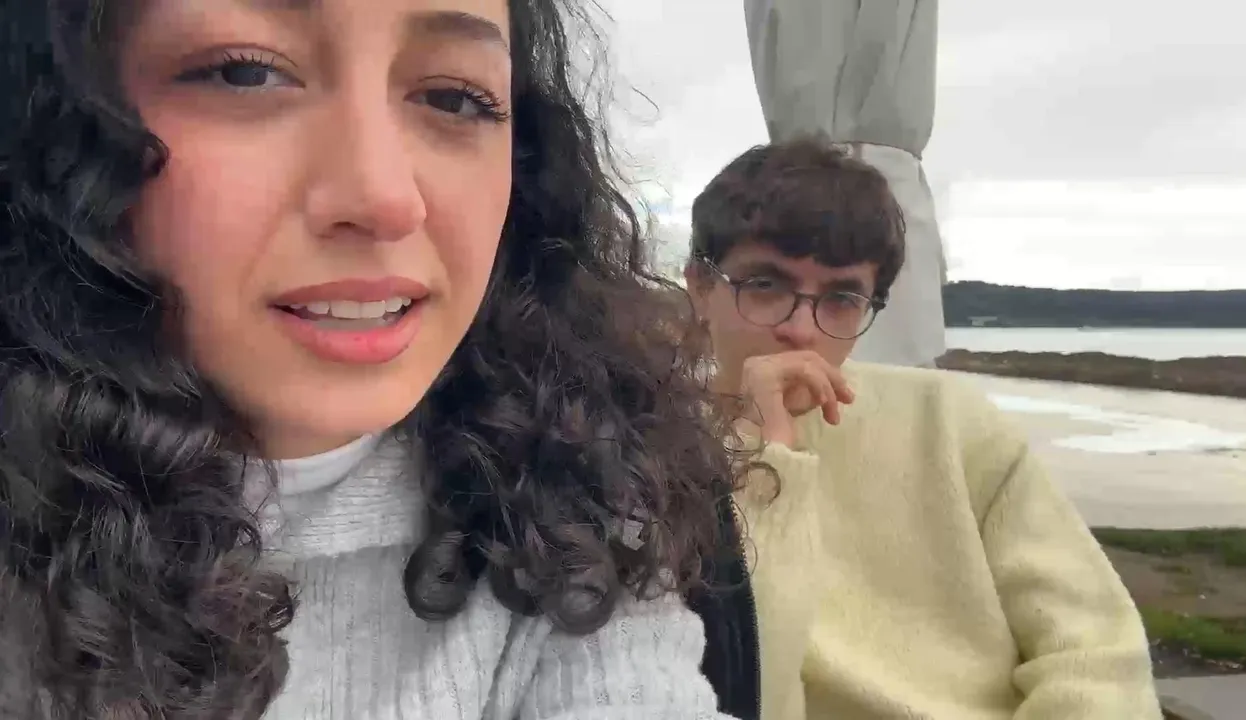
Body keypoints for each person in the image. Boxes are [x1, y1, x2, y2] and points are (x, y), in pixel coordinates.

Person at [0, 1, 745, 718]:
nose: (385, 200)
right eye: (245, 72)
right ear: (53, 126)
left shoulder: (579, 489)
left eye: (455, 98)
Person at [684, 138, 1164, 719]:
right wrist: (763, 459)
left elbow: (1097, 657)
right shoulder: (648, 458)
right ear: (700, 287)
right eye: (765, 285)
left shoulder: (951, 422)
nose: (803, 329)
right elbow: (743, 680)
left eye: (842, 298)